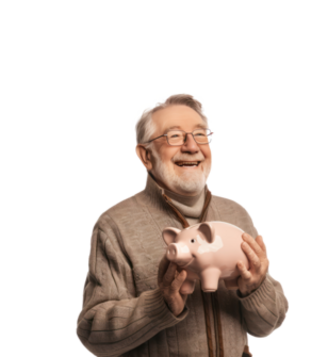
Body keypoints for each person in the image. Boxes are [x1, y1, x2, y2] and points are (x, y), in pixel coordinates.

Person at [75, 91, 291, 357]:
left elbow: (267, 326)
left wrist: (255, 289)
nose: (192, 146)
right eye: (175, 136)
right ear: (145, 155)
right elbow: (92, 333)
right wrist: (160, 305)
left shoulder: (237, 214)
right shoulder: (114, 225)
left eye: (200, 135)